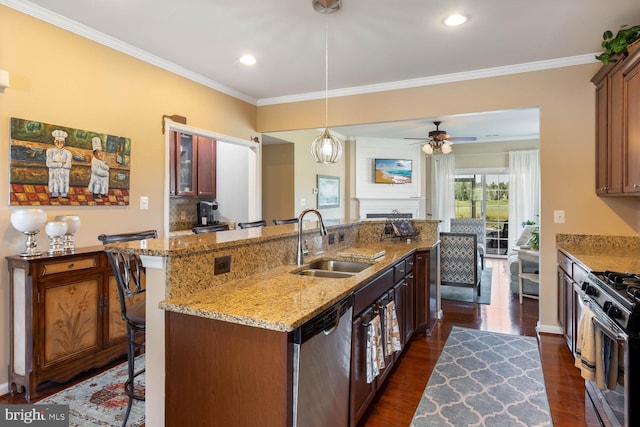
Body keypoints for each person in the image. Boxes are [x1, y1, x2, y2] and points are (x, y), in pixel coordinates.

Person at [46, 130, 72, 198]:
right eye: (57, 142)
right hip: (54, 173)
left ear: (64, 143)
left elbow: (68, 165)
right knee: (54, 181)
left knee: (63, 182)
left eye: (61, 142)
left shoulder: (68, 153)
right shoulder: (50, 151)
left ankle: (64, 194)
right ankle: (54, 194)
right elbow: (49, 164)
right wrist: (61, 164)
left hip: (64, 173)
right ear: (55, 142)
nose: (59, 144)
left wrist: (55, 163)